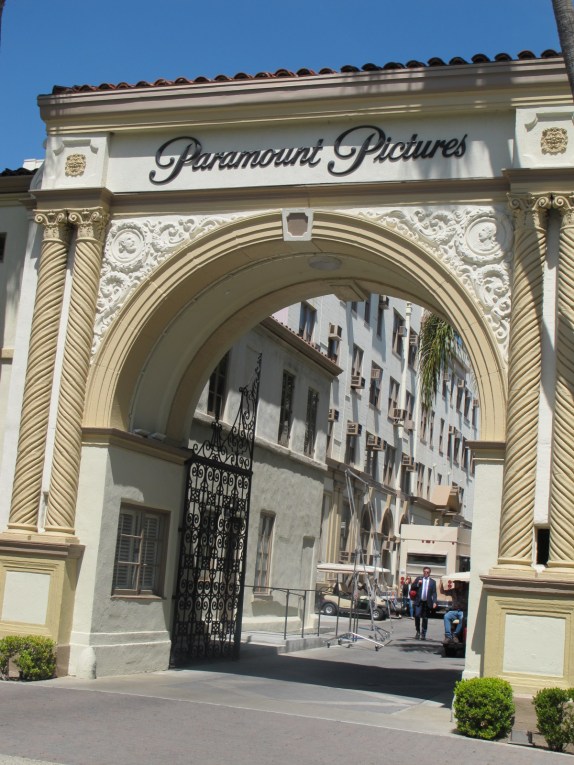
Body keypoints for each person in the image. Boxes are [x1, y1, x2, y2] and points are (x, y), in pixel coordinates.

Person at [412, 566, 437, 640]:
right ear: (423, 572)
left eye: (427, 572)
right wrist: (418, 584)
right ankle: (418, 631)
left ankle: (423, 634)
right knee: (417, 615)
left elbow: (434, 593)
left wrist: (434, 602)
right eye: (425, 572)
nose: (426, 573)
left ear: (429, 573)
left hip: (427, 602)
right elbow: (412, 587)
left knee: (425, 618)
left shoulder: (433, 582)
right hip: (419, 601)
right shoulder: (419, 579)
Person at [440, 579, 468, 643]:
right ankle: (448, 636)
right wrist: (441, 583)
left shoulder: (466, 592)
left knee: (462, 617)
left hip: (463, 611)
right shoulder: (453, 591)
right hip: (454, 611)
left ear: (461, 584)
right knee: (446, 616)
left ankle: (455, 635)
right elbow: (442, 592)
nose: (455, 585)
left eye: (456, 583)